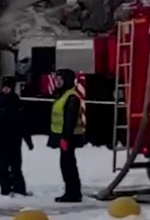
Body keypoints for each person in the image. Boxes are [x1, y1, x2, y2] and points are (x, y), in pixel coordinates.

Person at [0, 76, 34, 196]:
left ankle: (19, 188)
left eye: (8, 87)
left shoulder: (17, 102)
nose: (6, 90)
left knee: (16, 166)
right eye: (4, 87)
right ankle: (5, 189)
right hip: (0, 140)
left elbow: (24, 123)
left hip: (14, 139)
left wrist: (28, 140)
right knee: (2, 167)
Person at [48, 68, 85, 203]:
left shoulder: (71, 97)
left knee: (68, 165)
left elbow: (70, 120)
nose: (57, 82)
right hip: (64, 136)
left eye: (60, 79)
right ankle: (71, 191)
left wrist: (65, 138)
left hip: (69, 137)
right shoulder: (63, 95)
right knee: (66, 164)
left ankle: (73, 193)